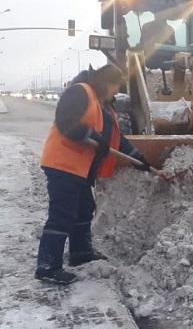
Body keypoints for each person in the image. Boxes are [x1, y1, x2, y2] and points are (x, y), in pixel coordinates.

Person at [36, 64, 154, 285]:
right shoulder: (80, 91)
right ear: (107, 82)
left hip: (78, 168)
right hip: (62, 164)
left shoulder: (103, 106)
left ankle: (80, 253)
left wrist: (140, 160)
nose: (115, 92)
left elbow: (116, 141)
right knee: (62, 214)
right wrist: (90, 135)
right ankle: (48, 266)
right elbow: (66, 121)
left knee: (84, 209)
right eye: (115, 87)